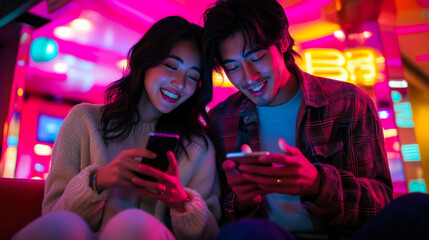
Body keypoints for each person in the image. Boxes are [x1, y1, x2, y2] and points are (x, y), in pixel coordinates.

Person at [14, 16, 220, 240]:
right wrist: (97, 181)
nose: (179, 84)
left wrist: (182, 204)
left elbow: (212, 235)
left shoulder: (198, 148)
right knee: (65, 223)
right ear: (146, 61)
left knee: (133, 224)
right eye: (171, 66)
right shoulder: (84, 120)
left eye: (192, 77)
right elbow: (52, 216)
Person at [202, 0, 394, 239]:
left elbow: (381, 204)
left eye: (257, 57)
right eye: (232, 67)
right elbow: (217, 221)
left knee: (417, 207)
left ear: (282, 41)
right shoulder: (221, 120)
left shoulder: (348, 102)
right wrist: (243, 201)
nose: (248, 77)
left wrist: (317, 184)